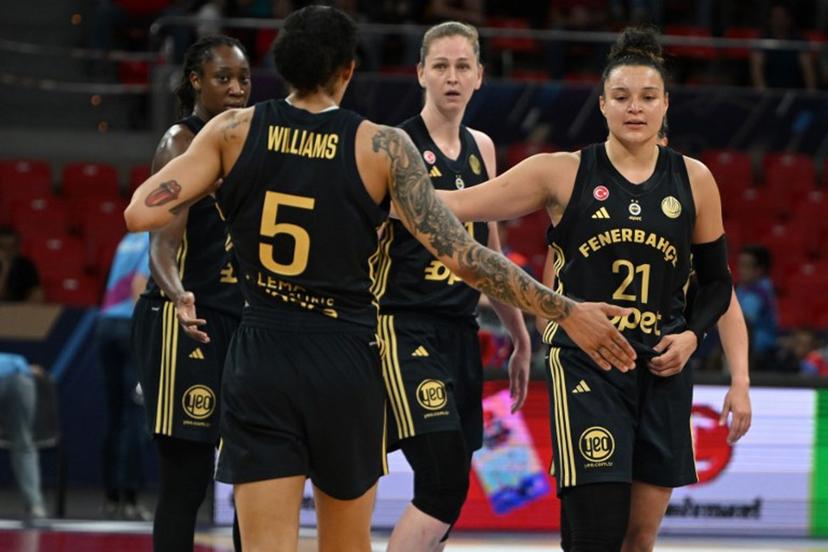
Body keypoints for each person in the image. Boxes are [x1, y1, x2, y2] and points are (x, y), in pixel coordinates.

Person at [124, 6, 635, 550]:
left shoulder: (233, 131)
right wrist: (563, 309)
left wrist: (224, 189)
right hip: (344, 357)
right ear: (347, 70)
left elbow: (141, 213)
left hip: (262, 353)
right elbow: (466, 255)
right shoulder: (381, 146)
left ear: (283, 66)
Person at [436, 26, 734, 551]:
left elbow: (716, 283)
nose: (634, 108)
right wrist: (377, 185)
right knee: (595, 533)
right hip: (587, 364)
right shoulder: (563, 171)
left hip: (662, 367)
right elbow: (461, 204)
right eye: (621, 97)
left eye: (647, 97)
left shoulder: (695, 179)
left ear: (666, 104)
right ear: (602, 104)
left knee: (638, 540)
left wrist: (691, 337)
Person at [379, 22, 532, 551]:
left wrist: (518, 334)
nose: (452, 77)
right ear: (420, 72)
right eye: (440, 66)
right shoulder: (394, 144)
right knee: (443, 482)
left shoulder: (482, 148)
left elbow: (489, 251)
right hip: (401, 328)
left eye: (462, 66)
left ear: (480, 77)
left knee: (445, 486)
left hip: (461, 332)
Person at [130, 35, 250, 552]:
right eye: (223, 78)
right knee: (187, 477)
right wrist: (178, 294)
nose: (236, 89)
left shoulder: (256, 143)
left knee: (258, 473)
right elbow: (161, 245)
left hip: (243, 323)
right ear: (196, 81)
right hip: (185, 320)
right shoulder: (181, 142)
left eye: (243, 79)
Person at [96, 230, 151, 520]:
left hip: (106, 326)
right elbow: (139, 285)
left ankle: (110, 496)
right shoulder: (158, 237)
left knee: (115, 414)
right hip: (129, 328)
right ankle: (129, 498)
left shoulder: (127, 239)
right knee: (135, 415)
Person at [0, 353, 47, 521]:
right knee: (24, 443)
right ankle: (35, 505)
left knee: (24, 443)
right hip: (21, 375)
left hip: (20, 375)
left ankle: (35, 504)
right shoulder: (14, 361)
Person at [735, 244, 779, 372]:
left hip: (761, 350)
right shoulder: (742, 288)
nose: (741, 270)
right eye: (740, 264)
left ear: (759, 269)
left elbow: (743, 321)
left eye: (746, 266)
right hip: (743, 345)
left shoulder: (762, 289)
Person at [0, 226, 43, 303]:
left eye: (11, 247)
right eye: (3, 247)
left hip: (20, 310)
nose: (8, 251)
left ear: (18, 247)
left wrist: (21, 310)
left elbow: (37, 294)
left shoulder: (26, 265)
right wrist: (5, 267)